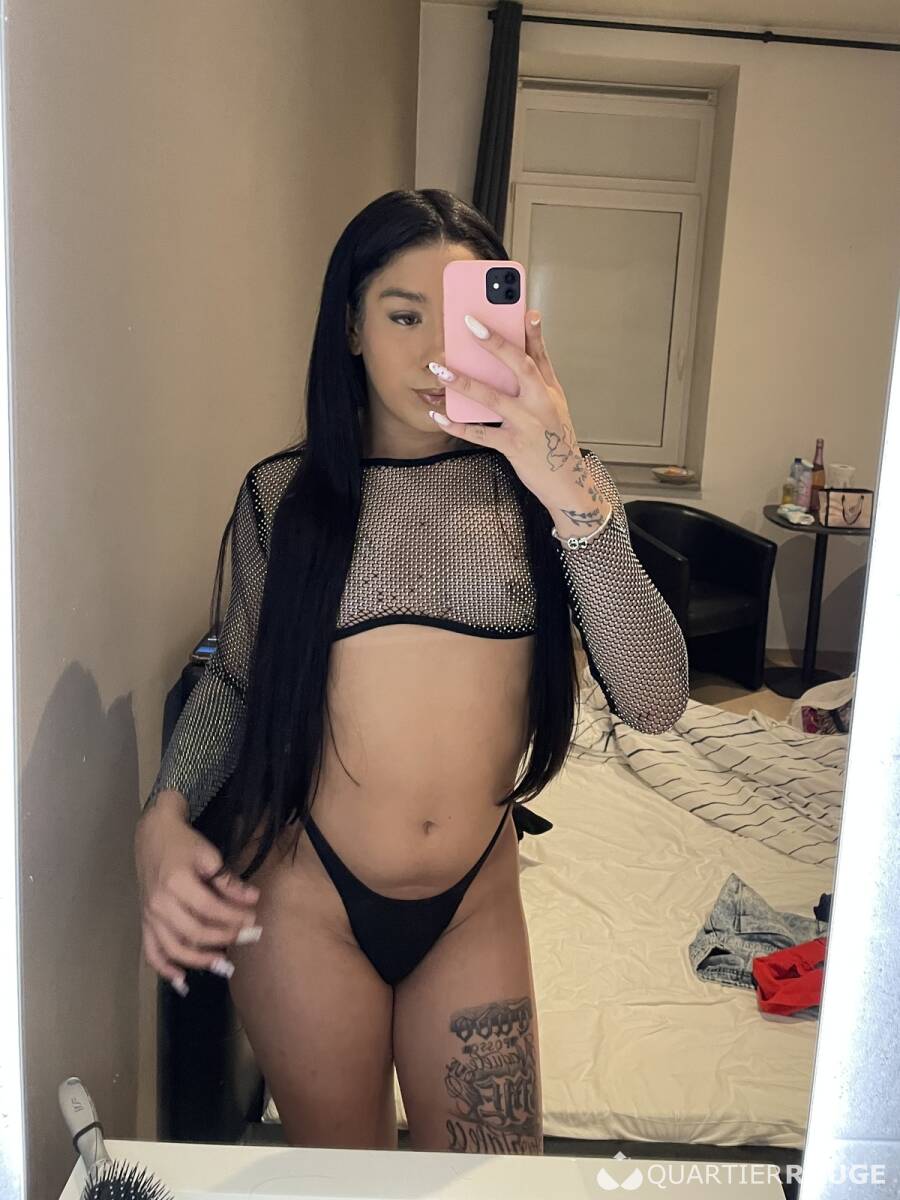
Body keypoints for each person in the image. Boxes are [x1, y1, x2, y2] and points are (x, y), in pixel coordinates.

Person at [134, 188, 690, 1155]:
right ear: (351, 327)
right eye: (403, 316)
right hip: (308, 903)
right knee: (349, 1181)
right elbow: (236, 682)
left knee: (492, 1179)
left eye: (467, 321)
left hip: (473, 904)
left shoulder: (552, 487)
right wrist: (164, 814)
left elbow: (655, 699)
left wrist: (563, 477)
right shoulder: (285, 498)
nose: (439, 352)